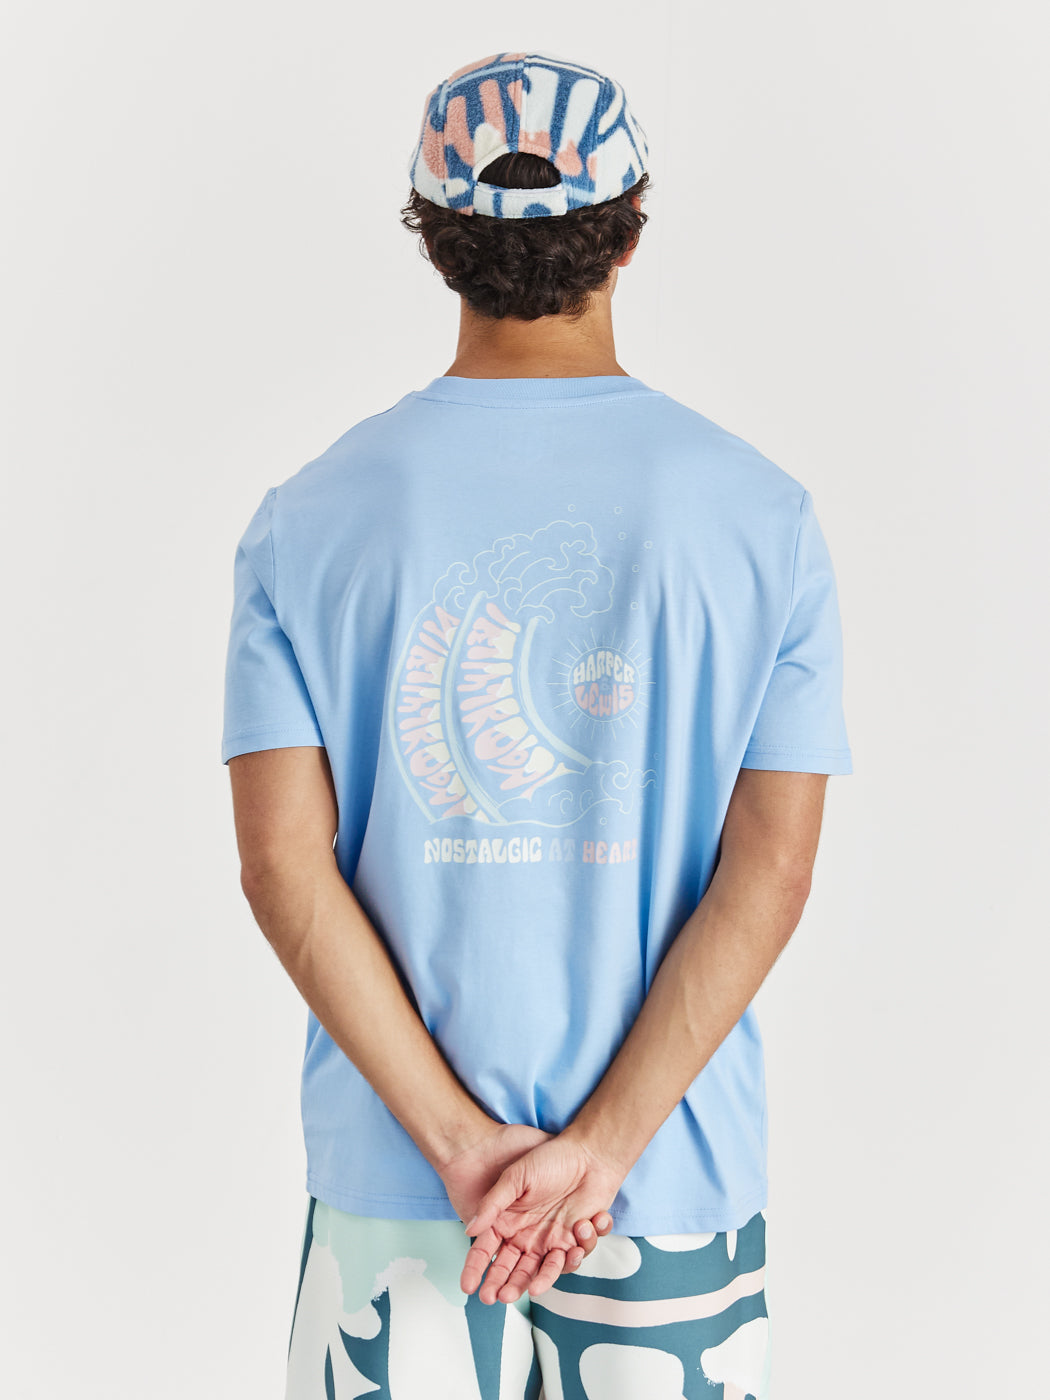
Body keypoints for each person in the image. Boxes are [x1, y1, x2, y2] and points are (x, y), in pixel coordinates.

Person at [221, 50, 851, 1400]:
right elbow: (774, 871)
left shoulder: (307, 518)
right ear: (630, 231)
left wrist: (461, 1148)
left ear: (434, 237)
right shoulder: (762, 518)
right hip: (666, 1176)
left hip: (400, 1185)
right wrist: (605, 1148)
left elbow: (280, 866)